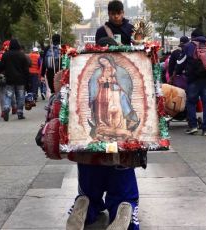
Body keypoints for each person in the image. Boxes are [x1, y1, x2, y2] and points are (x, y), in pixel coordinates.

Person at [66, 2, 139, 230]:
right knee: (122, 171)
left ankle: (86, 204)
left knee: (90, 175)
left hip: (94, 135)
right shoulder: (112, 77)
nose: (117, 16)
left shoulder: (131, 30)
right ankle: (123, 207)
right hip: (117, 126)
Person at [180, 28, 206, 136]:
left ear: (192, 37)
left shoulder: (189, 46)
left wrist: (176, 72)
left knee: (191, 102)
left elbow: (181, 62)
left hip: (194, 79)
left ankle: (193, 126)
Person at [0, 39, 29, 121]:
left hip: (10, 79)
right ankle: (20, 113)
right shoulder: (22, 55)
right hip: (20, 80)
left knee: (8, 95)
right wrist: (27, 79)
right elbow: (26, 69)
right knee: (20, 97)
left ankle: (6, 108)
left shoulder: (6, 55)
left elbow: (1, 66)